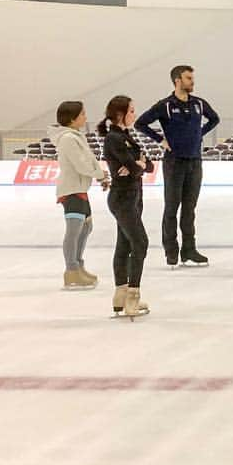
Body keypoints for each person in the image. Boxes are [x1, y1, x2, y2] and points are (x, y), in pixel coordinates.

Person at [135, 64, 219, 268]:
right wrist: (159, 139)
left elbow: (215, 119)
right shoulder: (165, 105)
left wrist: (200, 134)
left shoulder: (199, 103)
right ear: (177, 80)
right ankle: (171, 251)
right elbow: (140, 123)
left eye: (192, 78)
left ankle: (189, 250)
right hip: (174, 162)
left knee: (190, 208)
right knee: (172, 207)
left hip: (194, 161)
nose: (193, 81)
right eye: (189, 78)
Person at [100, 95, 153, 318]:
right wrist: (136, 165)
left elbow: (147, 165)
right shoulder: (113, 138)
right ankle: (132, 295)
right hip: (122, 197)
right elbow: (134, 166)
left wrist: (137, 165)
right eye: (132, 110)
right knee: (140, 242)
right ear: (120, 114)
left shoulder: (126, 137)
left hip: (132, 196)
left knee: (124, 245)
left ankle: (120, 295)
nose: (135, 114)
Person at [53, 100, 109, 291]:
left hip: (79, 189)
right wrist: (100, 174)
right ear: (72, 118)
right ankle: (71, 271)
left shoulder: (76, 136)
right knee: (74, 230)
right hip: (71, 190)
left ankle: (78, 265)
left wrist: (101, 175)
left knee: (86, 227)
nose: (86, 117)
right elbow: (80, 164)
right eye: (82, 114)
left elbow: (89, 160)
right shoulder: (68, 139)